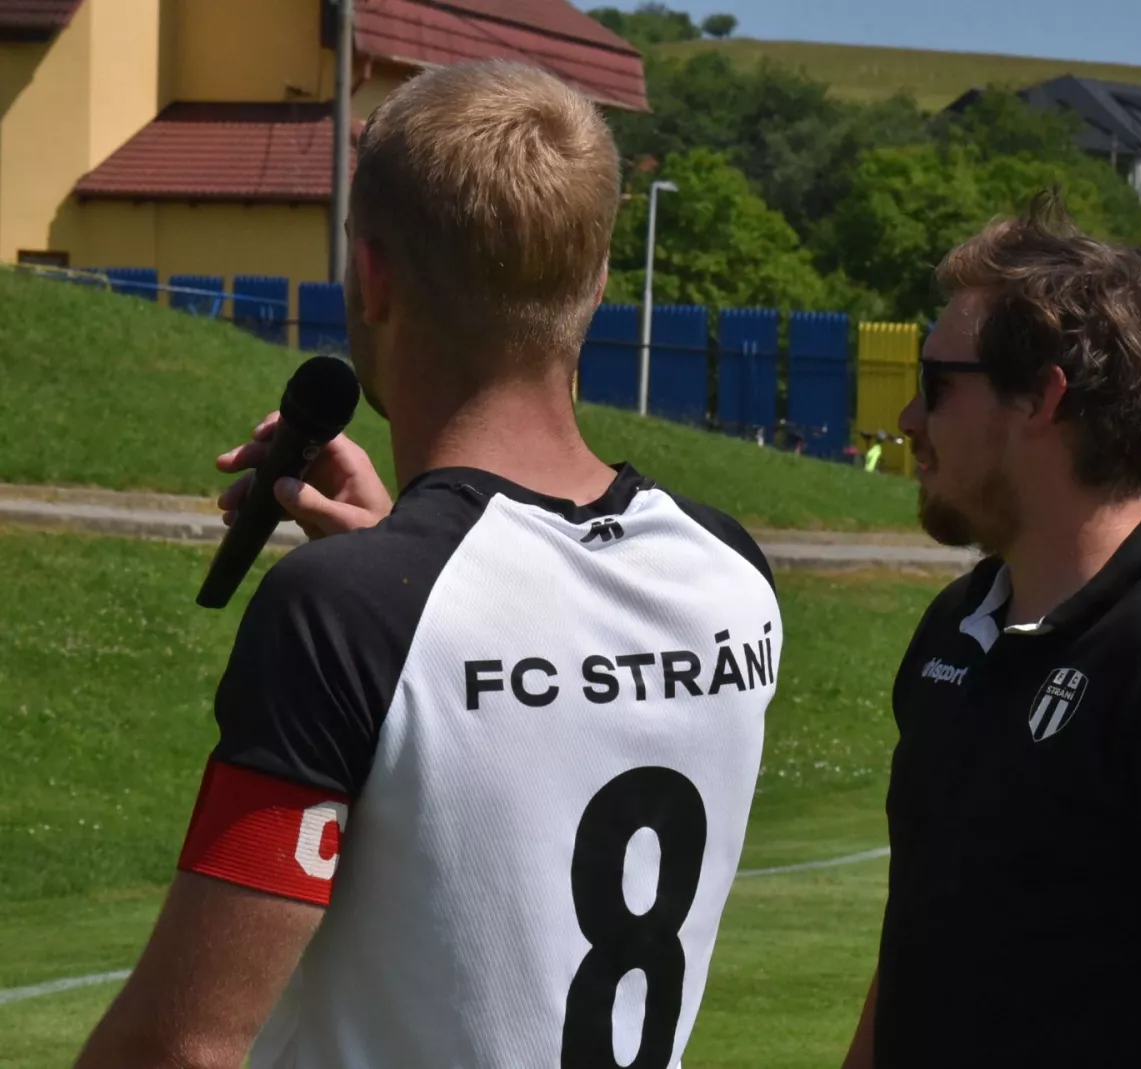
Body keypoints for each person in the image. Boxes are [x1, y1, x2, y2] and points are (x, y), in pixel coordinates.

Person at [73, 59, 782, 1069]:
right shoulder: (730, 573)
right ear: (596, 282)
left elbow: (181, 1046)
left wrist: (389, 591)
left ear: (373, 277)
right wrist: (399, 567)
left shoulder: (343, 615)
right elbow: (539, 690)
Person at [839, 194, 1141, 1069]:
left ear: (1042, 396)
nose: (910, 419)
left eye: (935, 382)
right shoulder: (958, 627)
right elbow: (922, 939)